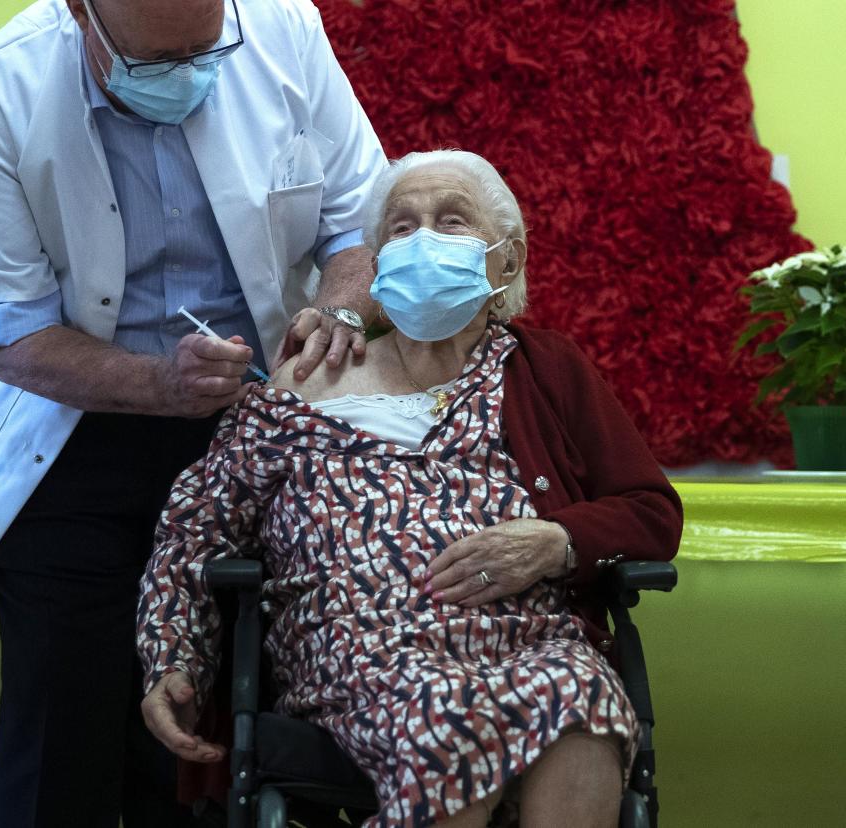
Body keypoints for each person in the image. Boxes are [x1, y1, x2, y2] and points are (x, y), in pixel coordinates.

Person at [0, 0, 386, 824]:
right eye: (154, 61)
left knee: (229, 731)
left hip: (253, 433)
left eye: (204, 52)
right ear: (81, 14)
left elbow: (361, 221)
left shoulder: (285, 30)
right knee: (64, 727)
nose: (188, 78)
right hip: (69, 435)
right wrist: (158, 388)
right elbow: (14, 336)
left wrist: (341, 313)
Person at [138, 150, 683, 826]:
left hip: (528, 636)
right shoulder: (306, 385)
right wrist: (174, 654)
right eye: (400, 228)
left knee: (585, 695)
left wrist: (557, 541)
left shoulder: (545, 372)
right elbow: (199, 524)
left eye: (451, 222)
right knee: (448, 716)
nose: (422, 240)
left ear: (505, 263)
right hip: (365, 653)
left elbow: (650, 512)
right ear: (374, 264)